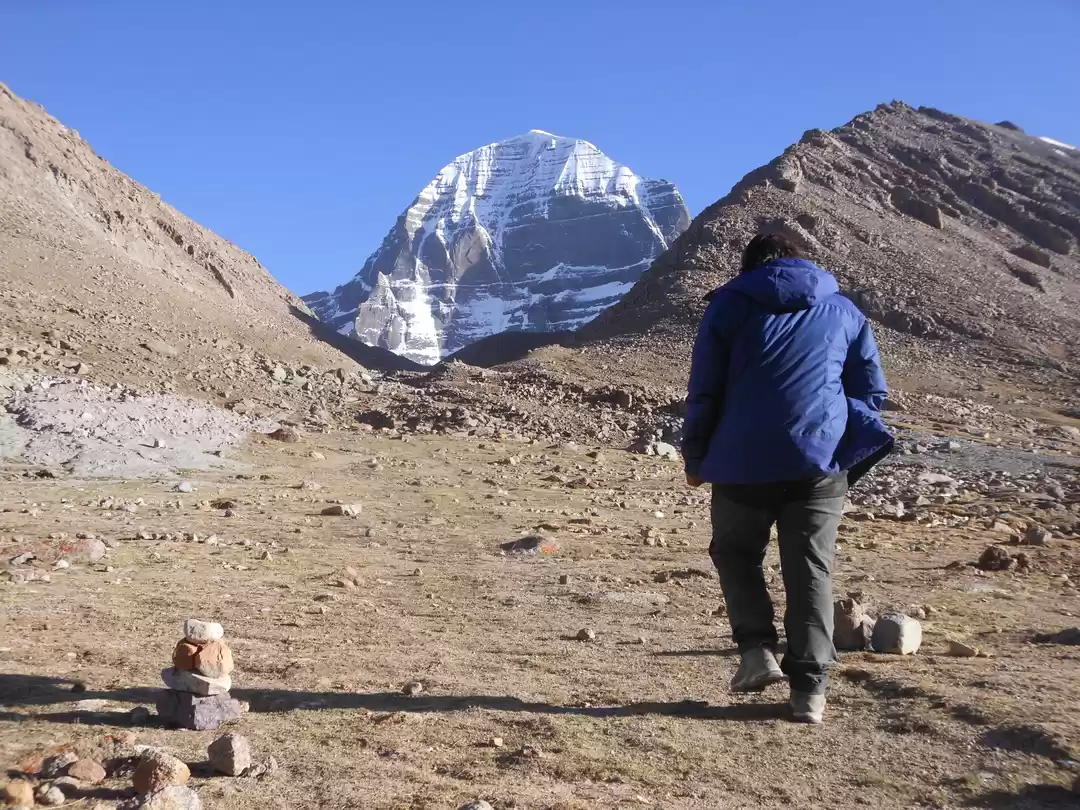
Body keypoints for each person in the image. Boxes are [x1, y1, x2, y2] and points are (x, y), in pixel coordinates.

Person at [682, 233, 892, 724]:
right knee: (810, 567)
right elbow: (870, 389)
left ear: (748, 268)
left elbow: (705, 391)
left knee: (735, 552)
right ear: (802, 261)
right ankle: (810, 692)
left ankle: (756, 652)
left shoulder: (728, 307)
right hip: (817, 466)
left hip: (741, 462)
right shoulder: (843, 311)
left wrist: (696, 457)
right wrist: (839, 433)